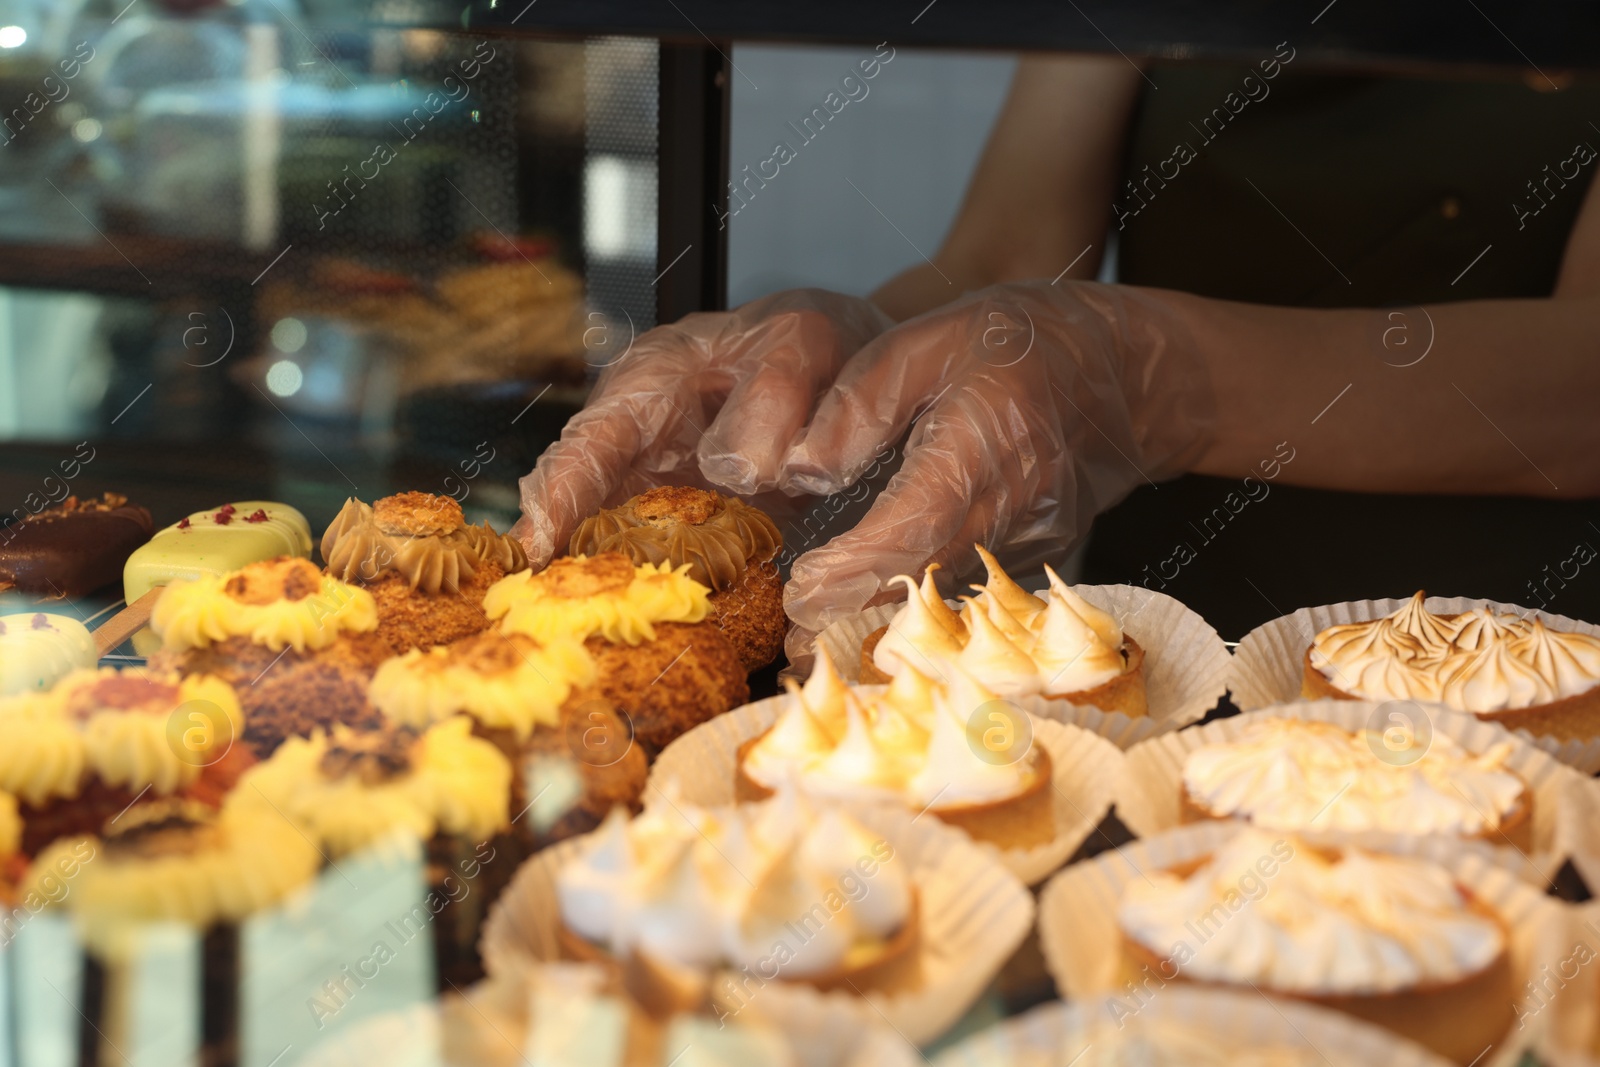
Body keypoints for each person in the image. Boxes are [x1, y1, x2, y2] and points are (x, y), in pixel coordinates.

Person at [513, 53, 1600, 659]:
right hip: (1177, 643)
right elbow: (1003, 253)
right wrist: (832, 357)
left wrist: (1142, 373)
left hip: (1534, 649)